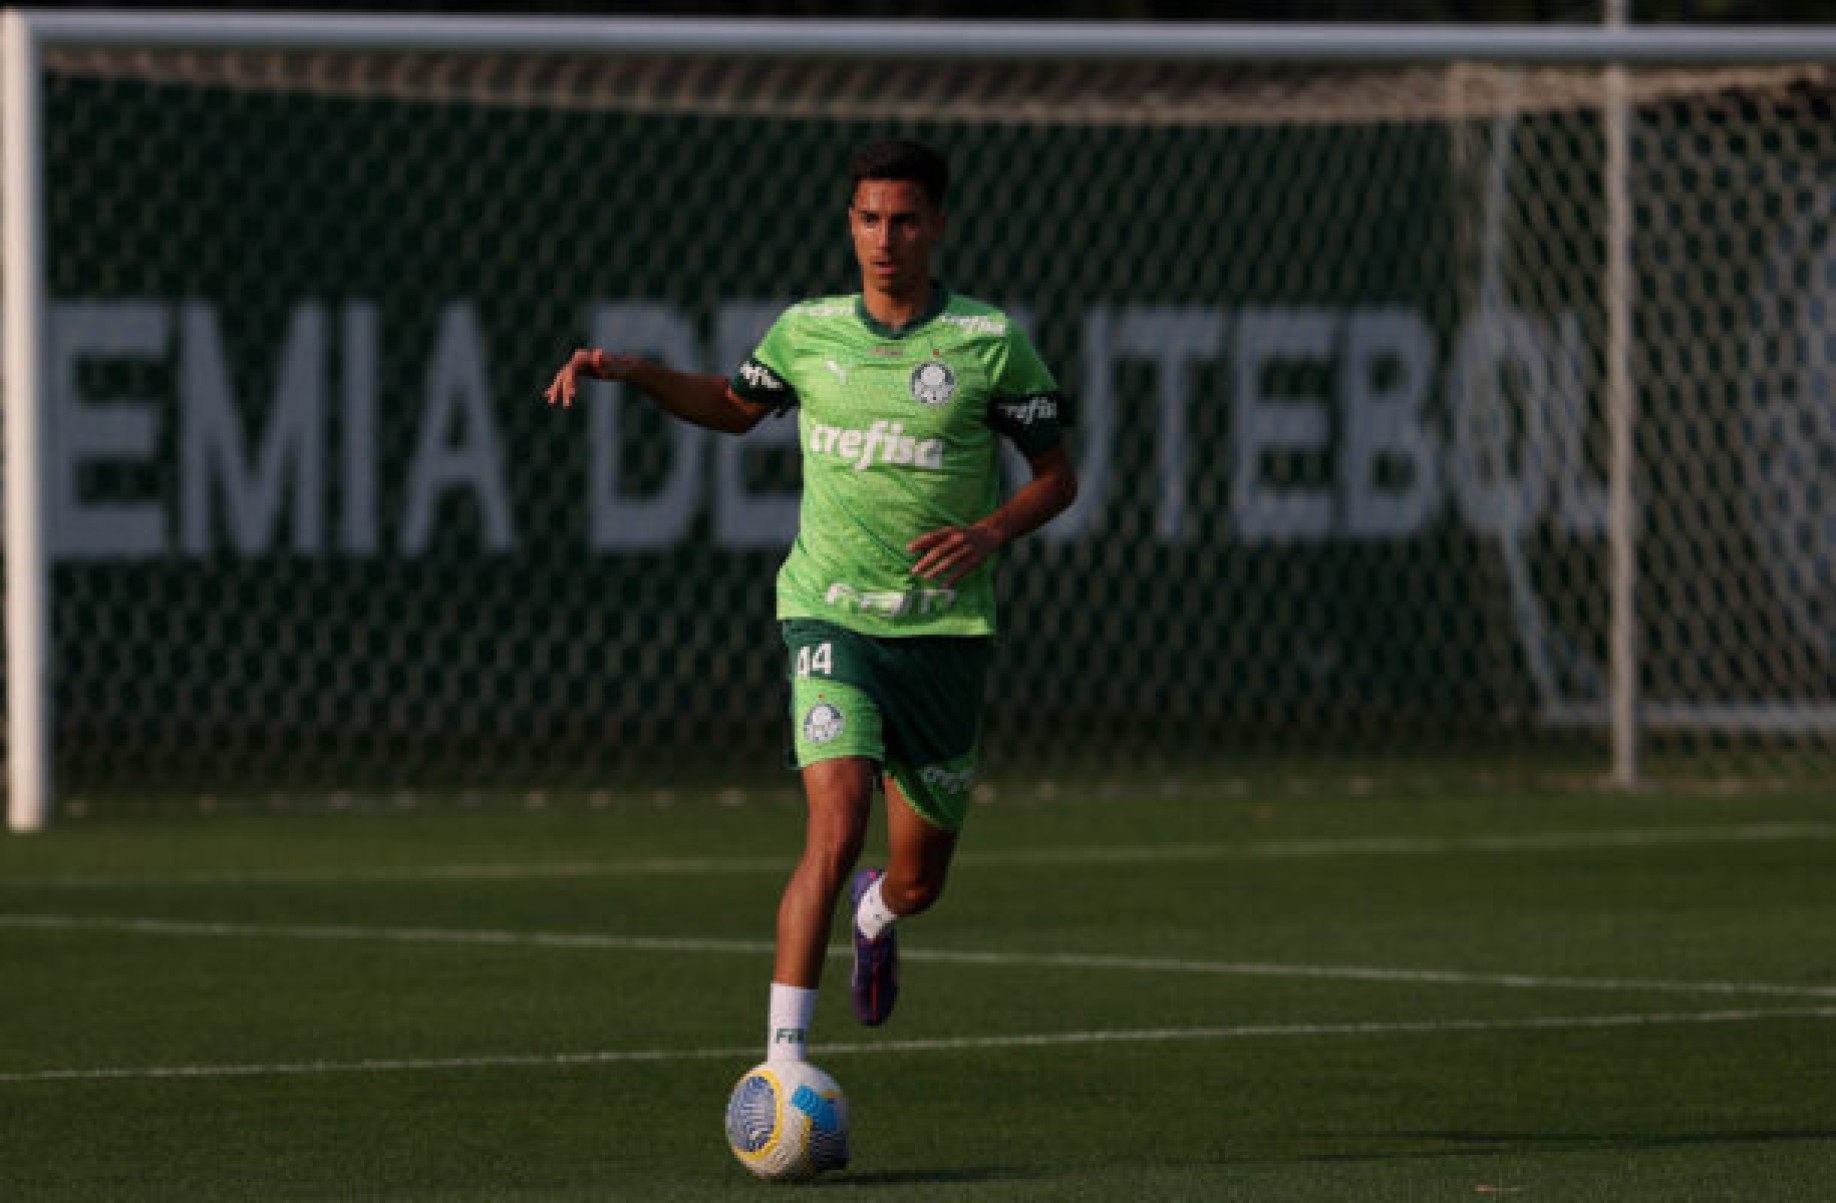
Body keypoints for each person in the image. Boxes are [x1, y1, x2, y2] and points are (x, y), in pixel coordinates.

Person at [544, 138, 1077, 1063]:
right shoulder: (807, 331)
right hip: (829, 617)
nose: (885, 238)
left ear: (938, 227)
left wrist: (991, 531)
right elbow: (730, 403)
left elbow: (1058, 478)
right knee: (831, 825)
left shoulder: (990, 343)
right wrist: (633, 372)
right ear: (850, 223)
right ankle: (782, 1067)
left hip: (944, 635)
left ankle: (879, 912)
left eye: (905, 219)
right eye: (869, 218)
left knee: (919, 882)